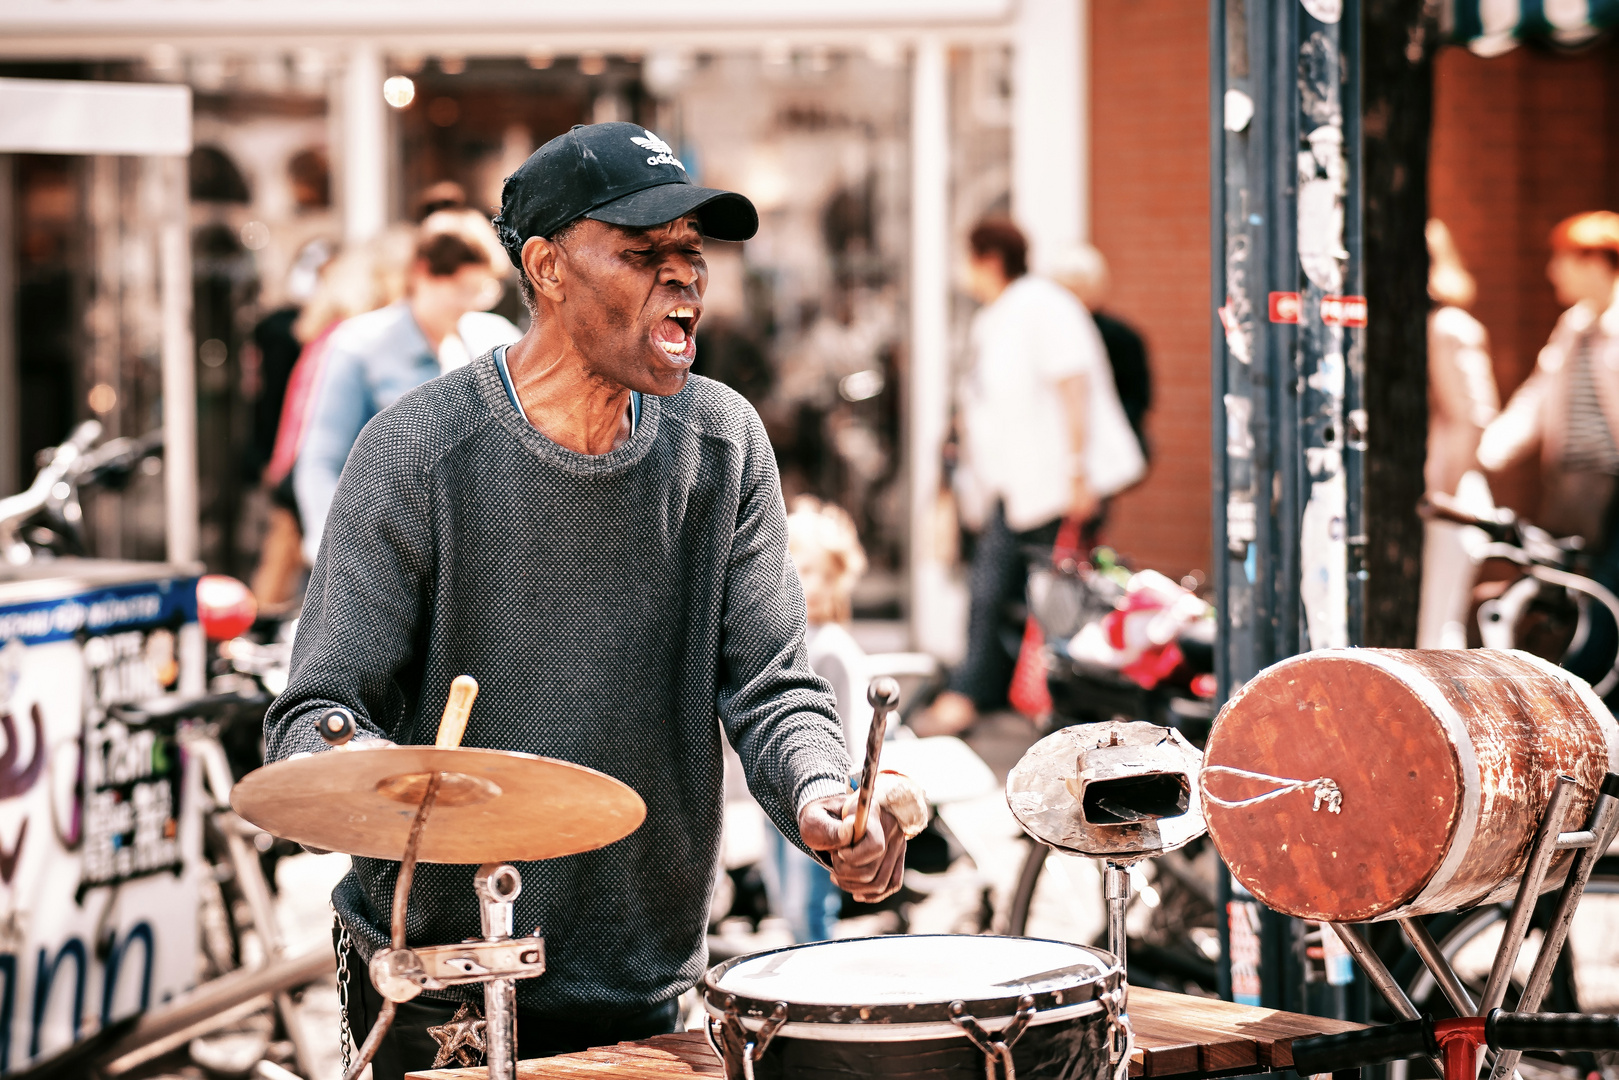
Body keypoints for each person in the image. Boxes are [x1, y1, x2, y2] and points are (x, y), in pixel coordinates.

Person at [263, 122, 909, 1078]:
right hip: (440, 984)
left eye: (692, 254)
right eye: (644, 254)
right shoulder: (416, 455)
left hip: (643, 978)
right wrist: (371, 770)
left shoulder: (722, 444)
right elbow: (310, 719)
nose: (684, 277)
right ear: (548, 267)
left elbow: (774, 687)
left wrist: (824, 794)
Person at [919, 218, 1145, 736]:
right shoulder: (1001, 315)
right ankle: (997, 696)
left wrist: (1078, 472)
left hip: (1056, 485)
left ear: (989, 259)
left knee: (1043, 595)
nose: (962, 271)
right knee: (1001, 589)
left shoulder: (1040, 306)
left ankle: (1030, 701)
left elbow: (1073, 384)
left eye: (967, 258)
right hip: (1022, 487)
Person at [293, 209, 522, 562]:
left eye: (482, 291)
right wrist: (334, 552)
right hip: (386, 550)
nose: (470, 304)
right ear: (421, 273)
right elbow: (322, 462)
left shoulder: (496, 341)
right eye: (461, 289)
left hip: (477, 554)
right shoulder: (360, 346)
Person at [1479, 210, 1619, 684]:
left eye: (1562, 259)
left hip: (1614, 488)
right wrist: (1488, 453)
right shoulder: (1575, 325)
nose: (1552, 271)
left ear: (1596, 261)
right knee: (1580, 590)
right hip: (1578, 487)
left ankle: (1588, 692)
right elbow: (1537, 396)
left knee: (1604, 595)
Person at [1418, 220, 1499, 648]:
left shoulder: (1448, 327)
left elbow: (1473, 416)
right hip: (1434, 500)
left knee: (1437, 631)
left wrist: (1443, 497)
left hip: (1449, 502)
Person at [1049, 243, 1152, 460]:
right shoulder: (1047, 335)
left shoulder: (1120, 337)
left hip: (1103, 442)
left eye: (1077, 289)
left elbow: (1137, 396)